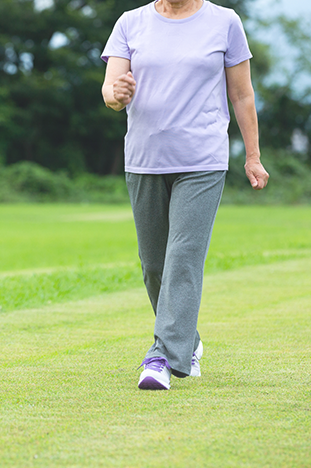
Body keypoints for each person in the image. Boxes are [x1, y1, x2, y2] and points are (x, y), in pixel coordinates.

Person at [100, 0, 269, 390]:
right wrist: (116, 93)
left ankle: (162, 356)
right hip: (144, 159)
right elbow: (110, 89)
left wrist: (253, 157)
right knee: (154, 264)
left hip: (202, 159)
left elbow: (242, 95)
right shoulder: (130, 23)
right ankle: (187, 341)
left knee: (183, 256)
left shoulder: (225, 22)